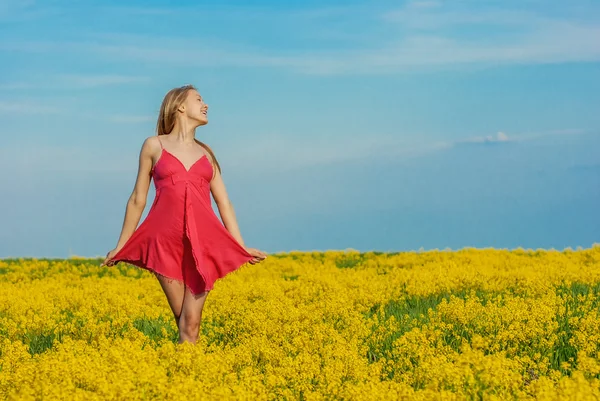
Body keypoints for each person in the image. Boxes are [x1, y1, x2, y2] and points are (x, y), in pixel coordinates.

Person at [101, 84, 267, 344]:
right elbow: (137, 199)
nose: (206, 104)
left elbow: (224, 202)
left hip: (204, 245)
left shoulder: (206, 154)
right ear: (180, 106)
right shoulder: (153, 146)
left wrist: (240, 245)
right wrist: (120, 246)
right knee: (186, 325)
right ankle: (185, 378)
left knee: (190, 325)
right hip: (164, 244)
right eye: (199, 99)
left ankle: (188, 378)